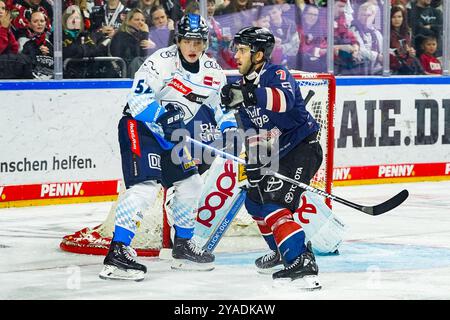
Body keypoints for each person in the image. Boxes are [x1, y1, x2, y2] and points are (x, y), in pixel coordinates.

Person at [99, 13, 236, 281]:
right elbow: (137, 101)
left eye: (198, 42)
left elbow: (222, 108)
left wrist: (229, 130)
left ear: (205, 42)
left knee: (191, 184)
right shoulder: (159, 62)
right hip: (141, 128)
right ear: (179, 40)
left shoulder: (213, 72)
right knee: (145, 188)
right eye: (188, 41)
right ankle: (117, 251)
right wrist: (163, 115)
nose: (193, 48)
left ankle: (183, 246)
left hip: (172, 137)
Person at [220, 26, 322, 289]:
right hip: (277, 153)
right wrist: (254, 161)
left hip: (303, 148)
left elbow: (285, 101)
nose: (236, 56)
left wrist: (250, 94)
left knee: (274, 205)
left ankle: (301, 261)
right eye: (237, 50)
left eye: (242, 50)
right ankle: (282, 252)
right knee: (255, 202)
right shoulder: (240, 88)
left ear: (258, 55)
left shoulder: (275, 73)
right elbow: (251, 130)